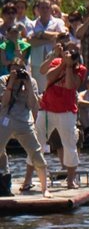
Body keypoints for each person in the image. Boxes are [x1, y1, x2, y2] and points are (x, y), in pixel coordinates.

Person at [33, 42, 85, 189]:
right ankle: (29, 178)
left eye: (73, 54)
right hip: (47, 109)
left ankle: (70, 180)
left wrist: (69, 67)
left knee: (70, 145)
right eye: (68, 52)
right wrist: (61, 62)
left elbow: (70, 85)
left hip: (66, 111)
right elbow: (47, 74)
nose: (69, 55)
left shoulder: (80, 69)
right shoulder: (56, 61)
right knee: (37, 143)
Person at [0, 58, 48, 198]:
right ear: (10, 68)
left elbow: (32, 104)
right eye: (15, 67)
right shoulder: (3, 80)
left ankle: (45, 189)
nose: (18, 70)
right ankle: (5, 179)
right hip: (6, 120)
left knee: (36, 154)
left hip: (24, 122)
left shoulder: (31, 81)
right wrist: (11, 83)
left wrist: (27, 85)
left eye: (20, 68)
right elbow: (4, 102)